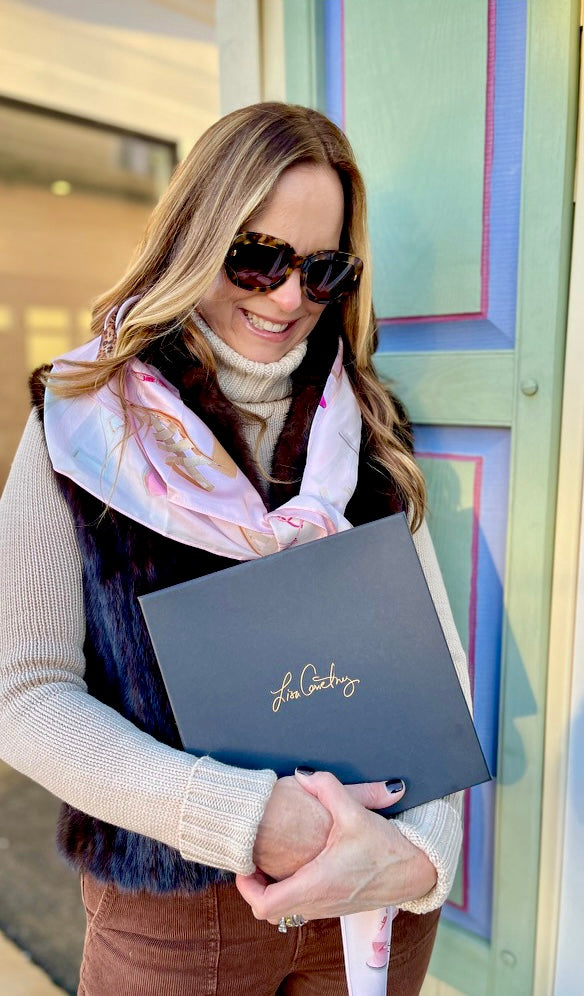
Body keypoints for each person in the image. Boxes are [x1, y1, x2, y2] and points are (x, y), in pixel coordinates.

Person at [0, 102, 471, 995]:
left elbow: (436, 681)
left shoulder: (367, 428)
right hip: (179, 920)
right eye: (258, 257)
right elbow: (23, 696)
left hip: (375, 907)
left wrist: (421, 858)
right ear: (192, 235)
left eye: (323, 269)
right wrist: (250, 818)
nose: (290, 298)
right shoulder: (82, 421)